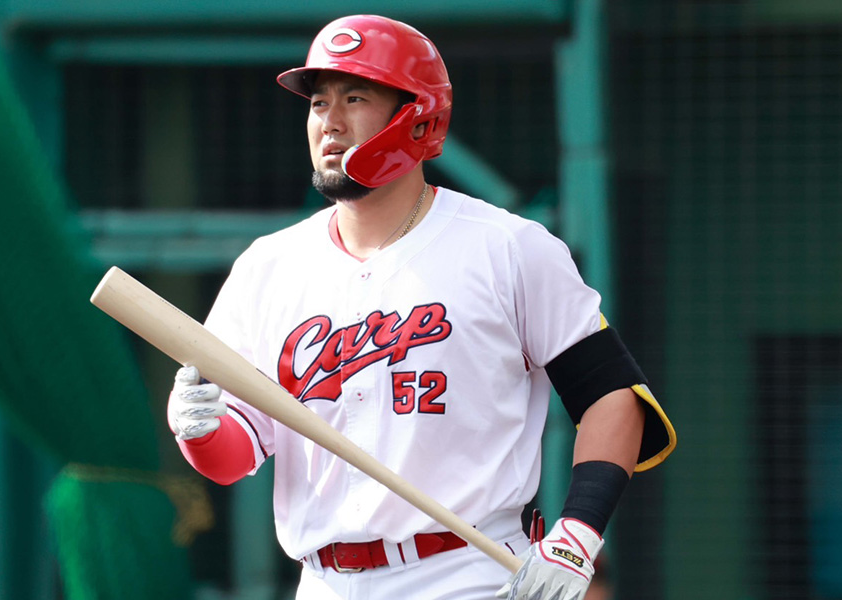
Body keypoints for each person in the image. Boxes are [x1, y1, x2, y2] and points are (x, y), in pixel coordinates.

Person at [167, 14, 676, 600]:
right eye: (319, 102)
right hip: (322, 581)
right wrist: (198, 430)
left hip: (465, 573)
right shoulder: (269, 265)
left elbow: (612, 395)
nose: (329, 121)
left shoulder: (507, 248)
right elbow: (234, 458)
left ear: (416, 115)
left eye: (355, 98)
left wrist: (578, 534)